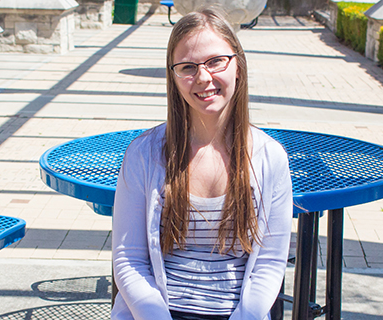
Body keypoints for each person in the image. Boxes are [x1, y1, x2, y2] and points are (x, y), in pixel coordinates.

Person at [111, 7, 293, 320]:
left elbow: (269, 264)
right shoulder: (144, 153)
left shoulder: (269, 157)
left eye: (215, 61)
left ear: (238, 66)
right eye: (187, 67)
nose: (203, 77)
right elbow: (130, 259)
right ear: (174, 76)